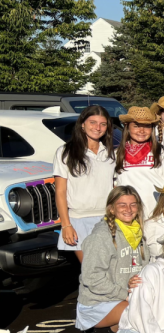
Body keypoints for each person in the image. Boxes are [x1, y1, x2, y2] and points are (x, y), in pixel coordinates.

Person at [76, 186, 148, 333]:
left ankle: (116, 332)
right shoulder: (101, 236)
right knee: (143, 312)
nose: (128, 209)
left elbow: (145, 267)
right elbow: (91, 278)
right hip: (97, 303)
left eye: (133, 204)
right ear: (112, 209)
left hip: (124, 297)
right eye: (122, 204)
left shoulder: (137, 232)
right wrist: (125, 294)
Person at [54, 105, 117, 260]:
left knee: (111, 271)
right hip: (78, 220)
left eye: (103, 124)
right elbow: (60, 192)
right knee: (91, 272)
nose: (98, 128)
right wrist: (66, 225)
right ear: (82, 124)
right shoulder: (65, 152)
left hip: (107, 220)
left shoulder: (111, 154)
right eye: (92, 122)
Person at [115, 106, 164, 213]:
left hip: (156, 213)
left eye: (147, 126)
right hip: (127, 213)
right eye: (136, 126)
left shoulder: (163, 154)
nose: (142, 131)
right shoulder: (116, 155)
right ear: (127, 127)